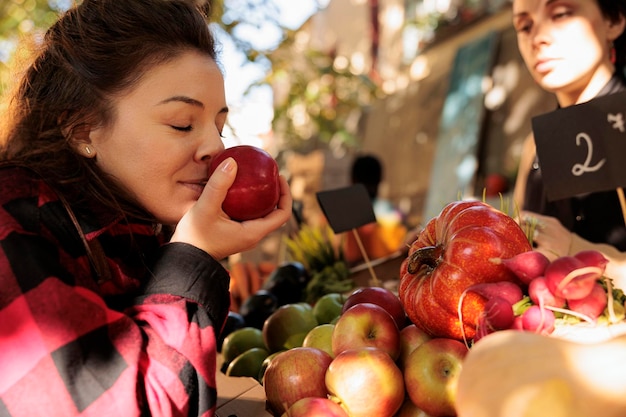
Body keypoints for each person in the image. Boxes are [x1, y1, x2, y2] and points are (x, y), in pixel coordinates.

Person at [0, 1, 292, 416]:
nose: (216, 147)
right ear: (83, 129)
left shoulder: (134, 227)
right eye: (182, 123)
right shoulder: (11, 225)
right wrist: (195, 256)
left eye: (219, 127)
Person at [511, 0, 626, 287]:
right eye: (525, 26)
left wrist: (573, 249)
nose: (538, 38)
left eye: (560, 14)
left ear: (613, 21)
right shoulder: (533, 146)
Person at [342, 154, 407, 264]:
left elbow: (350, 257)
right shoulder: (394, 212)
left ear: (352, 180)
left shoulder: (346, 214)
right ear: (380, 181)